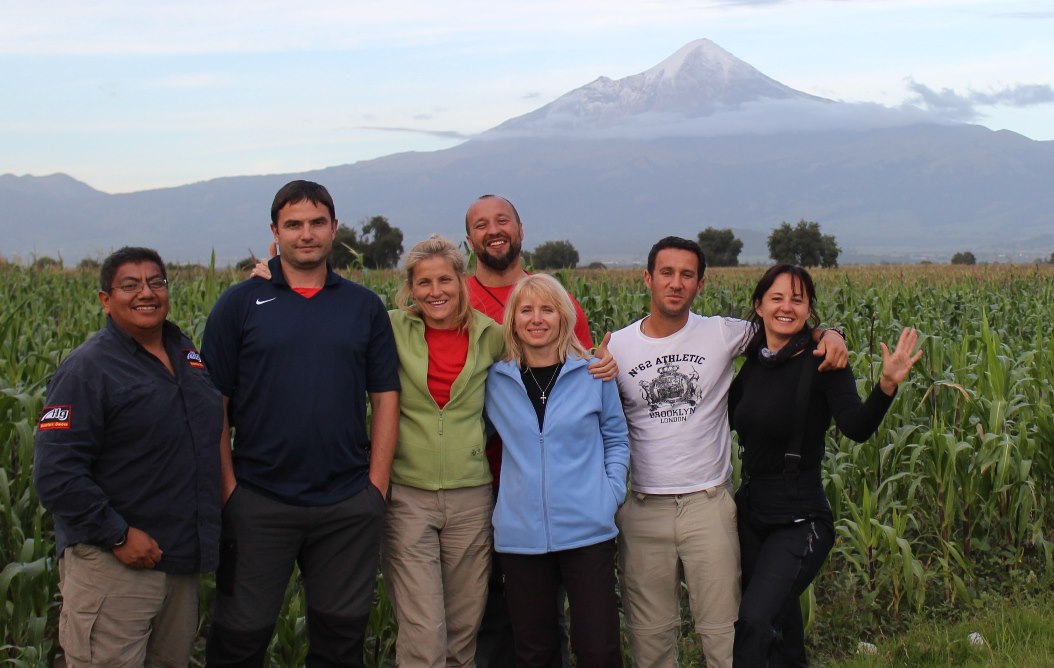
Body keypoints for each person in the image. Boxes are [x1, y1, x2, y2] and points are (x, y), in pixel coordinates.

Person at [606, 237, 848, 668]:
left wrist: (830, 333)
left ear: (700, 285)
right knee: (650, 641)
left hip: (709, 507)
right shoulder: (618, 348)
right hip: (643, 509)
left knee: (725, 639)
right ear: (647, 278)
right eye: (666, 272)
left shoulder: (722, 333)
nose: (675, 283)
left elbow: (784, 323)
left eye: (686, 275)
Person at [201, 180, 400, 667]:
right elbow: (213, 403)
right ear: (275, 233)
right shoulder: (239, 304)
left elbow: (385, 396)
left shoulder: (363, 306)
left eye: (316, 223)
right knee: (239, 640)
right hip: (259, 502)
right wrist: (229, 490)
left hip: (346, 506)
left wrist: (376, 486)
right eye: (294, 224)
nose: (306, 234)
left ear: (334, 228)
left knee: (339, 644)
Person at [33, 246, 223, 667]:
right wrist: (118, 534)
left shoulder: (186, 353)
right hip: (115, 565)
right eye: (130, 285)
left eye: (156, 282)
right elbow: (55, 472)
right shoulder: (88, 368)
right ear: (105, 299)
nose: (146, 293)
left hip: (178, 564)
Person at [729, 264, 920, 666]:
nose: (786, 307)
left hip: (799, 520)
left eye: (797, 300)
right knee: (782, 629)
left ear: (809, 310)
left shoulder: (824, 361)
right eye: (777, 298)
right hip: (750, 514)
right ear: (759, 305)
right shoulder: (750, 365)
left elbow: (856, 427)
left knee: (754, 620)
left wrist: (886, 387)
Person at [464, 194, 610, 668]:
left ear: (521, 230)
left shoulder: (556, 298)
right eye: (481, 224)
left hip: (578, 506)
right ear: (470, 239)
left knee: (589, 640)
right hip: (500, 503)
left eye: (502, 220)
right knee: (508, 635)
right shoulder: (456, 299)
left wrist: (609, 493)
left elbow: (592, 390)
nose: (493, 229)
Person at [484, 274, 630, 668]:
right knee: (535, 653)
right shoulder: (495, 380)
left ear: (563, 318)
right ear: (512, 320)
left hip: (588, 530)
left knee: (599, 650)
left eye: (547, 309)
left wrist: (610, 493)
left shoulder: (593, 373)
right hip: (520, 538)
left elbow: (616, 438)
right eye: (526, 310)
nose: (537, 319)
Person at [383, 234, 504, 666]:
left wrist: (598, 362)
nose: (435, 292)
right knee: (423, 631)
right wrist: (272, 280)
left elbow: (546, 362)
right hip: (408, 495)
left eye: (444, 281)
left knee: (462, 630)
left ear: (461, 280)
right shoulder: (391, 328)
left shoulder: (491, 335)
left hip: (471, 495)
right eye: (424, 283)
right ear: (410, 289)